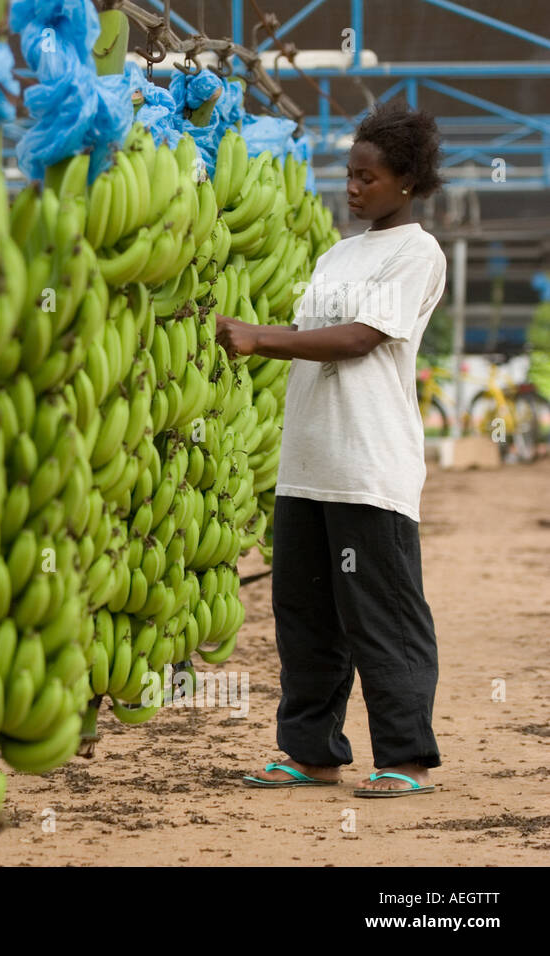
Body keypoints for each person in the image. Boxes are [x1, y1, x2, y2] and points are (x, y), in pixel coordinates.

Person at [215, 100, 448, 797]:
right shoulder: (339, 253)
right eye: (348, 174)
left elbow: (359, 339)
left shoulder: (418, 252)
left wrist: (262, 337)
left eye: (366, 177)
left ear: (406, 180)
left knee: (381, 614)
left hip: (368, 465)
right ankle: (311, 752)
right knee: (305, 616)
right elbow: (317, 335)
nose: (351, 188)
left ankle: (405, 758)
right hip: (308, 464)